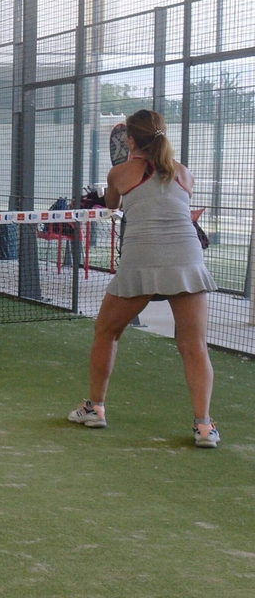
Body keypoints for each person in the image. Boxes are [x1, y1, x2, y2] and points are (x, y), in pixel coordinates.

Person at [69, 108, 218, 448]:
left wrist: (105, 194)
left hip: (142, 258)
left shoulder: (119, 173)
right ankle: (204, 427)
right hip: (187, 257)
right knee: (194, 346)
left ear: (131, 141)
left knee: (107, 332)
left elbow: (112, 204)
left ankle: (95, 408)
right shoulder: (184, 173)